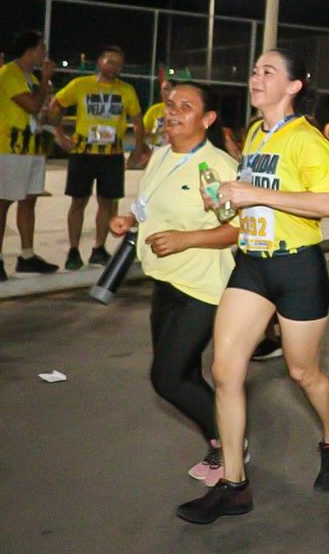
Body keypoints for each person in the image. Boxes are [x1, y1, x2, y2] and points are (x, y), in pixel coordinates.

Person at [176, 49, 329, 524]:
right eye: (254, 70)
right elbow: (253, 203)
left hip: (297, 269)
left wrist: (254, 193)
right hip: (252, 264)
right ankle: (234, 485)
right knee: (225, 369)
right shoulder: (255, 133)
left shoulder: (307, 140)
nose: (255, 77)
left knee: (303, 373)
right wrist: (228, 204)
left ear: (292, 87)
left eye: (267, 71)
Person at [108, 82, 239, 487]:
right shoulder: (161, 155)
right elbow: (147, 203)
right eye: (170, 105)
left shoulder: (216, 167)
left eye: (187, 106)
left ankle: (231, 445)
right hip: (163, 281)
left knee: (166, 377)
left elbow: (236, 230)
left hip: (203, 287)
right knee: (181, 374)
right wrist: (129, 220)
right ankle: (223, 442)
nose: (173, 112)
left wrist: (186, 239)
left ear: (208, 119)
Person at [48, 45, 147, 270]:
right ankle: (73, 250)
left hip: (111, 156)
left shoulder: (126, 90)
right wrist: (60, 135)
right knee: (78, 202)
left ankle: (99, 248)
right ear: (100, 61)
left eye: (119, 64)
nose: (114, 67)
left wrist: (137, 151)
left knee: (107, 203)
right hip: (83, 154)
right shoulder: (81, 85)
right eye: (110, 61)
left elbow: (138, 122)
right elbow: (56, 105)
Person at [0, 30, 60, 281]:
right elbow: (30, 105)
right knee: (5, 199)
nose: (45, 54)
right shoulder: (9, 73)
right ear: (30, 50)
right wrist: (45, 81)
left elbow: (44, 113)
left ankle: (27, 256)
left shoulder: (31, 77)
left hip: (33, 147)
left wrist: (52, 120)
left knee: (29, 201)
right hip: (11, 148)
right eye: (42, 49)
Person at [142, 78, 178, 151]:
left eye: (166, 89)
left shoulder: (182, 111)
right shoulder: (154, 110)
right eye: (162, 89)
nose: (163, 92)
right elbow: (142, 132)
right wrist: (157, 131)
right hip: (157, 149)